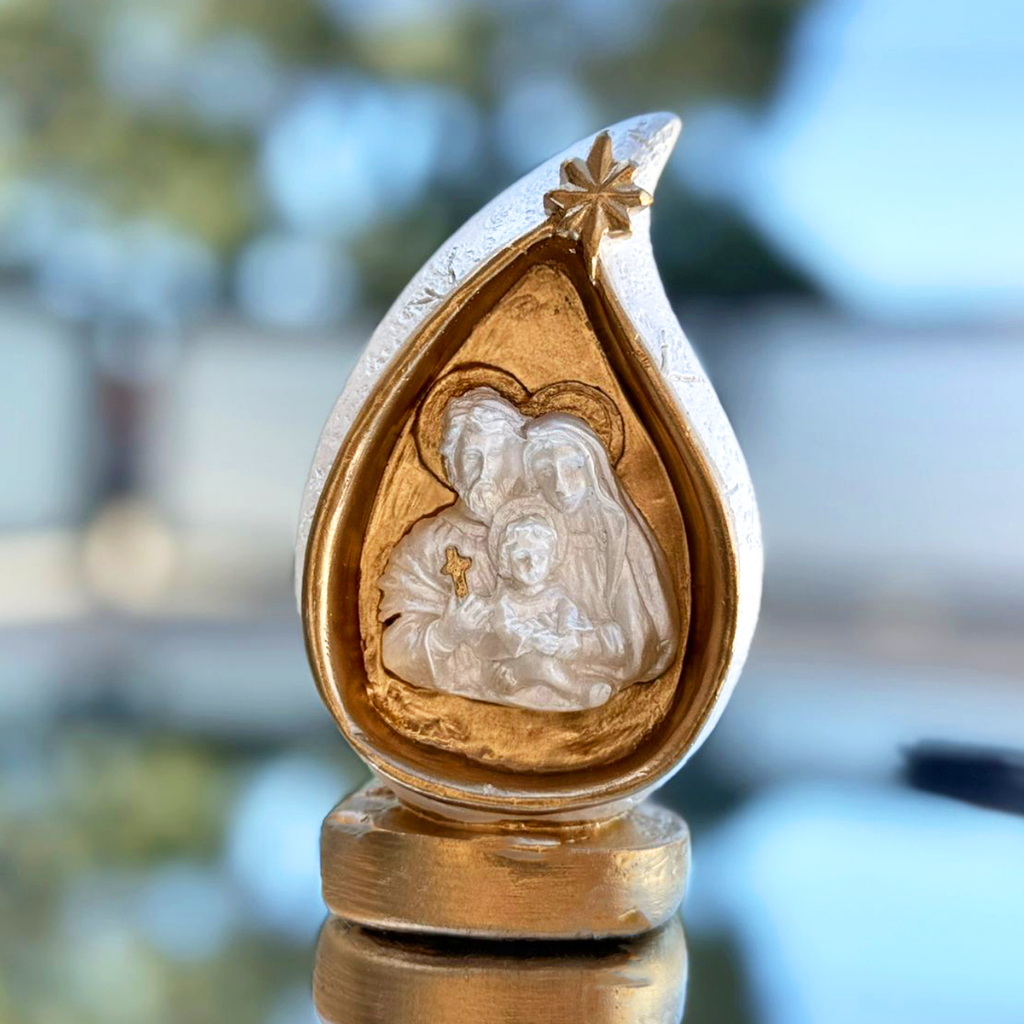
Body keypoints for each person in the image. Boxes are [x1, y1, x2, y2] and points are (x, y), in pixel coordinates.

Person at [378, 387, 527, 699]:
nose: (485, 473)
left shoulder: (547, 531)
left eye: (497, 455)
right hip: (468, 690)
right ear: (451, 466)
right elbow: (393, 653)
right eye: (472, 457)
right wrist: (448, 633)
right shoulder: (426, 545)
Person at [523, 412, 677, 688]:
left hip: (602, 649)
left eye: (572, 467)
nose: (561, 486)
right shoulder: (536, 533)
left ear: (592, 468)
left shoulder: (614, 536)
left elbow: (637, 638)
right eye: (546, 472)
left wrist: (582, 644)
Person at [485, 497, 613, 710]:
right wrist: (536, 640)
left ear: (552, 559)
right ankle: (579, 690)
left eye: (540, 556)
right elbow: (507, 628)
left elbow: (568, 613)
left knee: (551, 665)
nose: (532, 564)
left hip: (554, 650)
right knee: (545, 666)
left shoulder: (556, 594)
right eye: (522, 556)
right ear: (506, 561)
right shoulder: (505, 599)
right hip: (519, 659)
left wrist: (569, 635)